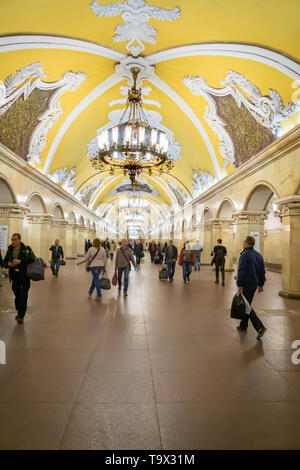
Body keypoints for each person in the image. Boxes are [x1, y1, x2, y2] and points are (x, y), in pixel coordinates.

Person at [236, 236, 267, 339]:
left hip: (246, 284)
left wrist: (240, 284)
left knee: (246, 306)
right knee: (247, 304)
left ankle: (260, 327)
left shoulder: (244, 255)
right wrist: (261, 284)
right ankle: (243, 325)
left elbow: (242, 270)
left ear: (247, 243)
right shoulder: (258, 255)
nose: (242, 243)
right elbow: (261, 271)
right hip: (254, 284)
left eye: (244, 241)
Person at [3, 233, 35, 324]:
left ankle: (21, 314)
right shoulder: (10, 249)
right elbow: (5, 261)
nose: (13, 241)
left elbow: (32, 259)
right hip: (14, 276)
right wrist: (8, 264)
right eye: (12, 239)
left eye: (15, 240)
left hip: (24, 276)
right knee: (17, 294)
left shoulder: (26, 249)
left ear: (19, 240)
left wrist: (20, 261)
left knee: (23, 295)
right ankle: (18, 309)